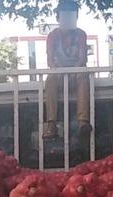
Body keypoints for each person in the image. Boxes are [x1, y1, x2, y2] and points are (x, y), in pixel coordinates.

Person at [43, 0, 91, 140]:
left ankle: (83, 121)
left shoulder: (81, 34)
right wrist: (60, 72)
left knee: (83, 74)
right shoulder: (52, 36)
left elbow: (82, 59)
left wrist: (73, 71)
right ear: (58, 18)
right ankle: (51, 124)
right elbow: (50, 61)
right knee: (50, 79)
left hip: (76, 73)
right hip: (58, 74)